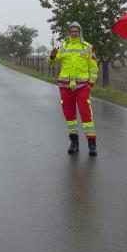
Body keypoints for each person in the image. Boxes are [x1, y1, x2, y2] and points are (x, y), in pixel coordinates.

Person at [47, 21, 99, 156]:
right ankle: (74, 143)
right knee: (69, 116)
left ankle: (92, 143)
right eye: (72, 31)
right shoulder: (62, 46)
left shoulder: (88, 47)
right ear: (69, 32)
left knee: (86, 113)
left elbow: (93, 68)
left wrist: (90, 84)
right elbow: (52, 62)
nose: (74, 33)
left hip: (82, 87)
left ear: (80, 32)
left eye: (76, 31)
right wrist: (52, 56)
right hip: (65, 87)